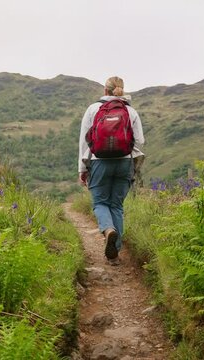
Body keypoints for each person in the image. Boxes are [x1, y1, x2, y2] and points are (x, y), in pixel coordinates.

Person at [78, 76, 145, 264]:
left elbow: (84, 143)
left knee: (100, 203)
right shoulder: (130, 111)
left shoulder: (93, 109)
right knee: (116, 205)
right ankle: (114, 255)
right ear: (121, 90)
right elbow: (140, 140)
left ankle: (108, 230)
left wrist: (82, 169)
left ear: (105, 90)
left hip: (99, 162)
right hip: (125, 163)